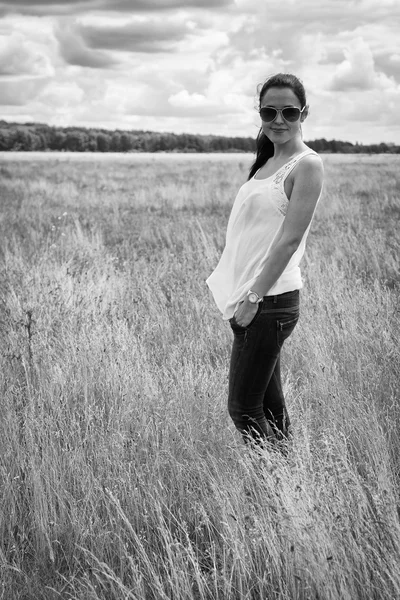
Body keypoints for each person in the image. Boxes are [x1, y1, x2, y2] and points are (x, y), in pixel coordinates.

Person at [206, 73, 324, 446]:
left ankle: (277, 486)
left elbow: (289, 241)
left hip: (269, 301)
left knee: (243, 408)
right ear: (259, 113)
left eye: (289, 111)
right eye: (268, 111)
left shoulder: (307, 165)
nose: (279, 120)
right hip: (250, 298)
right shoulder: (266, 163)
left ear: (304, 113)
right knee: (270, 409)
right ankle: (290, 490)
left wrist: (254, 296)